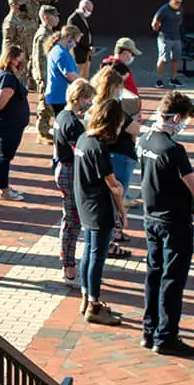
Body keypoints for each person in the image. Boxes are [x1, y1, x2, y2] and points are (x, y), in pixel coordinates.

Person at [138, 91, 194, 357]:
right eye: (184, 120)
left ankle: (149, 329)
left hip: (151, 216)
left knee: (154, 274)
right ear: (176, 117)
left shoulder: (145, 140)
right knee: (172, 279)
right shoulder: (174, 150)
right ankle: (167, 335)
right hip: (174, 220)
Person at [74, 98, 127, 325]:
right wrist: (122, 211)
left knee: (88, 252)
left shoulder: (83, 140)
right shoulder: (99, 148)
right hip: (99, 208)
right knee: (97, 255)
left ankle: (86, 297)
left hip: (85, 205)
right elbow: (113, 185)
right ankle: (94, 305)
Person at [90, 67, 140, 253]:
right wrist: (134, 121)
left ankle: (114, 233)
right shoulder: (113, 109)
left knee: (110, 198)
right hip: (120, 156)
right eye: (119, 87)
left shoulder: (96, 107)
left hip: (110, 155)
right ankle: (109, 241)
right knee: (115, 198)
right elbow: (134, 129)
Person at [53, 79, 95, 287]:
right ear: (79, 99)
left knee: (70, 220)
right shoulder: (71, 124)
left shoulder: (63, 115)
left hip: (64, 169)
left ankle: (68, 265)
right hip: (70, 172)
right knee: (73, 222)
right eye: (88, 99)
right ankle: (69, 269)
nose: (90, 103)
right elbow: (81, 153)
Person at [0, 44, 31, 202]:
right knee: (3, 157)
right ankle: (3, 191)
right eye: (19, 60)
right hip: (7, 124)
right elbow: (0, 100)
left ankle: (3, 186)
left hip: (7, 123)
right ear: (11, 59)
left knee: (3, 156)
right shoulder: (7, 77)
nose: (21, 63)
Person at [31, 4, 61, 145]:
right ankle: (41, 132)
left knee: (48, 103)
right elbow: (39, 59)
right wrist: (43, 78)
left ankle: (44, 128)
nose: (57, 19)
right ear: (46, 17)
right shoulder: (43, 35)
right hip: (45, 75)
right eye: (54, 16)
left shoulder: (49, 33)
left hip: (49, 74)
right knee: (44, 104)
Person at [44, 25, 82, 116]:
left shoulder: (60, 50)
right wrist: (83, 83)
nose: (75, 45)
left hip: (59, 95)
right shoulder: (61, 53)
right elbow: (70, 75)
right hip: (60, 96)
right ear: (69, 38)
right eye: (75, 41)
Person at [1, 0, 37, 88]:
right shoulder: (10, 21)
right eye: (20, 3)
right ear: (14, 5)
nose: (23, 5)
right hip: (17, 59)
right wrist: (12, 61)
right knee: (16, 84)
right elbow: (7, 43)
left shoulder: (22, 17)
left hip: (25, 57)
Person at [151, 0, 185, 87]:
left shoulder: (180, 9)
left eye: (180, 2)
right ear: (171, 1)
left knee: (175, 58)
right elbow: (155, 23)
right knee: (163, 59)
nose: (178, 4)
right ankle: (159, 79)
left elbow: (179, 21)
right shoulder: (164, 10)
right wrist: (160, 31)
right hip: (165, 38)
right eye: (176, 2)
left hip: (176, 37)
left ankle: (173, 78)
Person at [99, 37, 142, 107]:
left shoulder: (106, 63)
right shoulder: (122, 70)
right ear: (125, 53)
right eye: (132, 54)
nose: (132, 57)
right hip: (125, 106)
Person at [66, 0, 95, 77]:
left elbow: (87, 33)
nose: (90, 13)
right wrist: (87, 47)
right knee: (77, 77)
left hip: (86, 54)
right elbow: (75, 37)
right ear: (83, 8)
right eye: (89, 10)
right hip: (79, 54)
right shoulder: (73, 19)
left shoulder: (84, 18)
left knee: (85, 76)